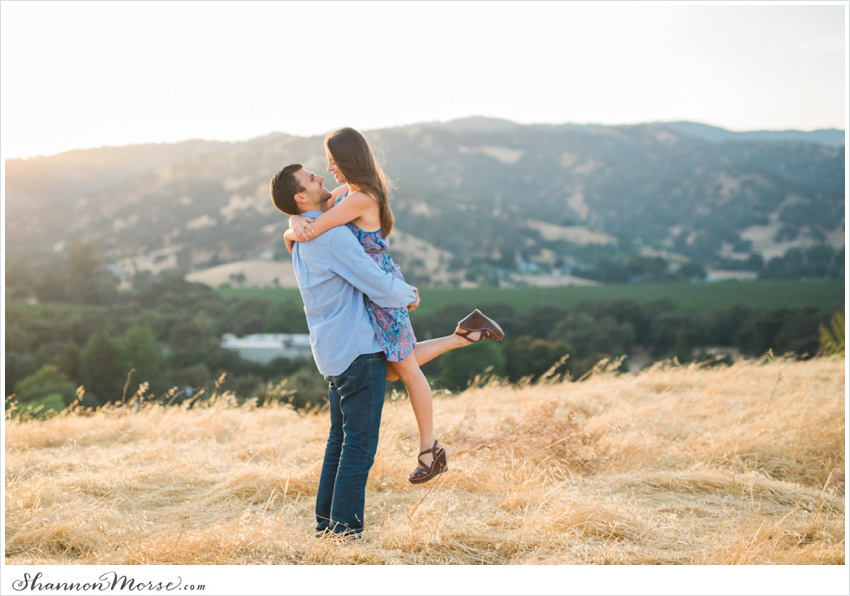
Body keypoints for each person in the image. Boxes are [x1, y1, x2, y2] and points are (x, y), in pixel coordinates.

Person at [281, 127, 504, 485]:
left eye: (335, 163)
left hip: (381, 289)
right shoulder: (347, 193)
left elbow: (314, 228)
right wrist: (293, 222)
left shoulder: (360, 198)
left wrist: (294, 224)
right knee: (391, 366)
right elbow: (310, 224)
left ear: (351, 160)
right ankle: (466, 334)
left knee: (406, 369)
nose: (331, 170)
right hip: (369, 287)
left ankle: (429, 447)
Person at [269, 163, 417, 537]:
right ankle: (345, 534)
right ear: (301, 197)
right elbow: (377, 285)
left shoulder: (306, 234)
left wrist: (291, 223)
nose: (321, 177)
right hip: (357, 351)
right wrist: (409, 296)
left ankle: (327, 526)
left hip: (332, 352)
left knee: (339, 442)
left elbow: (329, 205)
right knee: (359, 448)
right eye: (311, 178)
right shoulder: (330, 237)